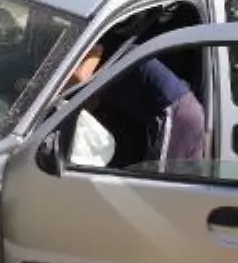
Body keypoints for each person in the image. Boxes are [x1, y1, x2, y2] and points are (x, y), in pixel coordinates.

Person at [70, 42, 206, 171]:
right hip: (181, 112)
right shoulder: (111, 61)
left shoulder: (100, 47)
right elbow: (89, 101)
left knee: (160, 180)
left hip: (176, 112)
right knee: (175, 184)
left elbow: (80, 79)